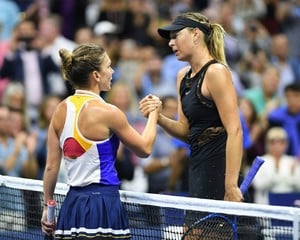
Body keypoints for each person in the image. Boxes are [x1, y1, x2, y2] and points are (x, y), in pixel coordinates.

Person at [41, 43, 160, 239]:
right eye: (108, 66)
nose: (112, 71)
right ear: (96, 75)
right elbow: (145, 148)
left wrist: (47, 206)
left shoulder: (60, 110)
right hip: (103, 204)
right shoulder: (108, 112)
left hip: (72, 206)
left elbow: (51, 167)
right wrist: (154, 112)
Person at [140, 12, 244, 202]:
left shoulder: (216, 72)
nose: (171, 43)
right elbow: (187, 133)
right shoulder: (182, 76)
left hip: (221, 170)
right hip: (197, 169)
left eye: (175, 36)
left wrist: (230, 185)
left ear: (195, 34)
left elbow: (235, 130)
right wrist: (159, 117)